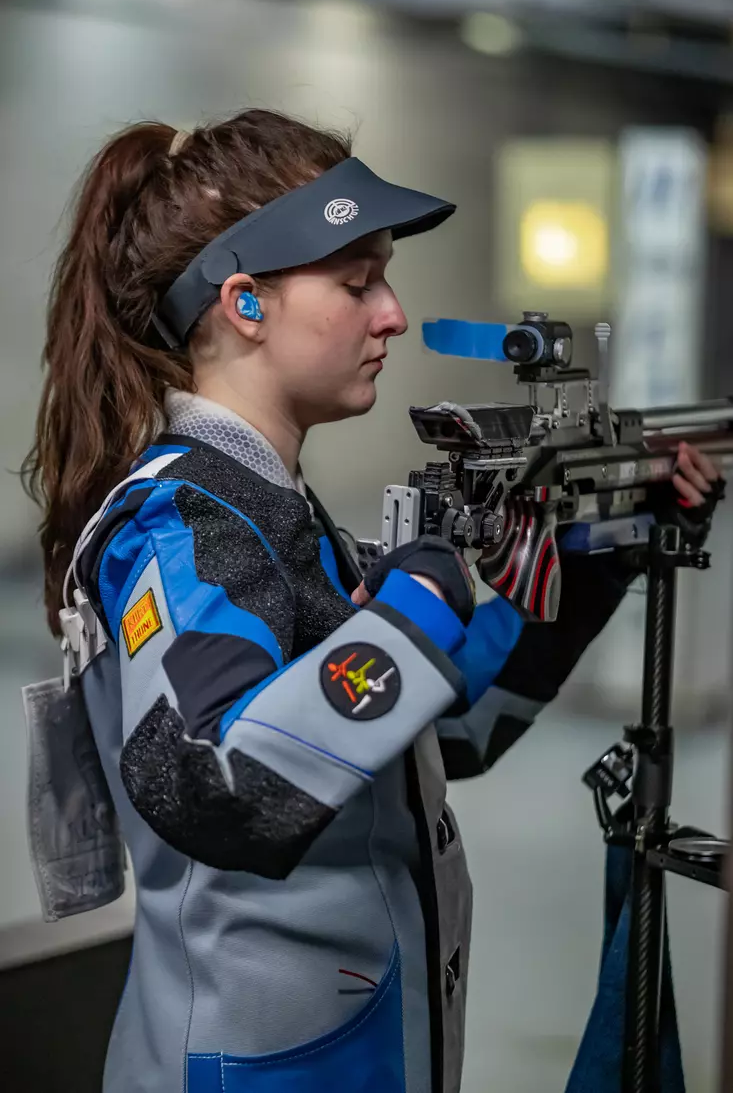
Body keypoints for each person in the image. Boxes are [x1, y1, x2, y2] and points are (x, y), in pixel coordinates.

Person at [22, 109, 723, 1093]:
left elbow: (443, 734)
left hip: (358, 1044)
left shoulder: (276, 515)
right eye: (356, 283)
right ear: (244, 303)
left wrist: (594, 559)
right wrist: (414, 608)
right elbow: (214, 785)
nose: (391, 312)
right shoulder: (178, 524)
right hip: (253, 1067)